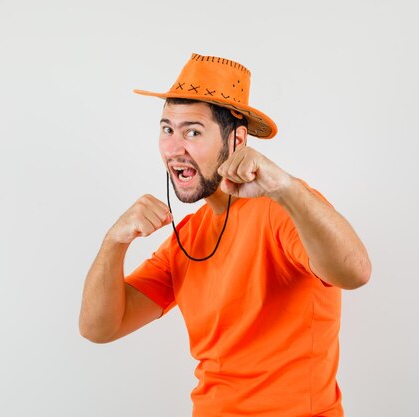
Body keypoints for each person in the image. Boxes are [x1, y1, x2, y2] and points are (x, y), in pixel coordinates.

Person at [79, 53, 371, 417]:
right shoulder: (186, 239)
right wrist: (114, 241)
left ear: (237, 140)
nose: (174, 148)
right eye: (167, 129)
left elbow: (355, 271)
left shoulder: (284, 208)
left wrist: (285, 186)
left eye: (193, 132)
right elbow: (99, 328)